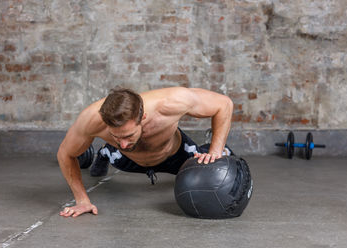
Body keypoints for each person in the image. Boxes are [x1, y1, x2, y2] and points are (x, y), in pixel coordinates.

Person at [57, 87, 234, 218]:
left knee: (205, 159)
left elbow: (224, 104)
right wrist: (82, 200)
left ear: (142, 117)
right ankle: (105, 152)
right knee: (115, 152)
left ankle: (220, 149)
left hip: (176, 156)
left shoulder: (170, 103)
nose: (124, 143)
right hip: (127, 161)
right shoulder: (91, 120)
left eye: (128, 135)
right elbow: (65, 153)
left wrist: (216, 151)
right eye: (116, 136)